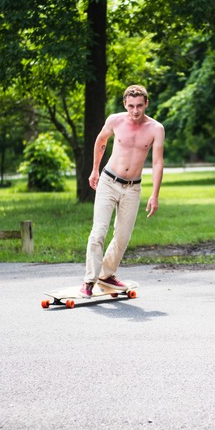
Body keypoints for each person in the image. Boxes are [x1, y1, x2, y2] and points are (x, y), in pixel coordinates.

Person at [81, 84, 165, 297]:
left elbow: (157, 162)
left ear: (146, 103)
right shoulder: (115, 120)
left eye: (139, 106)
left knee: (122, 237)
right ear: (125, 104)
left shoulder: (156, 129)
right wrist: (94, 170)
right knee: (98, 231)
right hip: (108, 182)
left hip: (132, 188)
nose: (135, 111)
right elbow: (101, 141)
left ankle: (107, 274)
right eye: (130, 106)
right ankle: (89, 280)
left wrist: (155, 195)